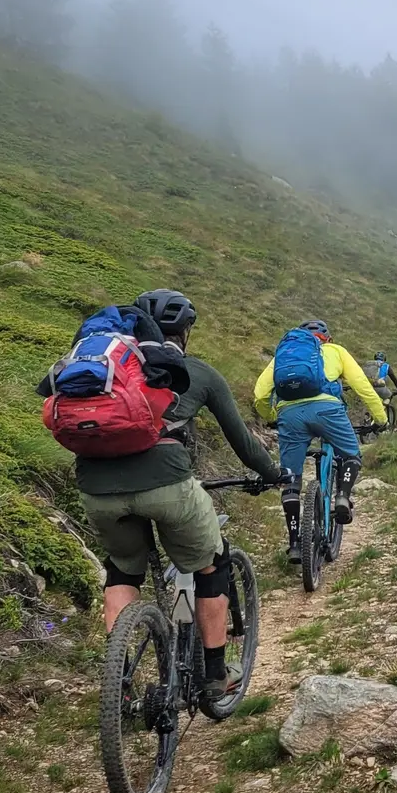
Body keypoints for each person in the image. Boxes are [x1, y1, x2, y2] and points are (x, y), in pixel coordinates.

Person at [42, 289, 282, 705]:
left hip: (97, 491)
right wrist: (273, 474)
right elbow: (243, 442)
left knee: (122, 573)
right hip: (167, 485)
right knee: (212, 564)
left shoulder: (98, 370)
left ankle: (118, 681)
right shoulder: (197, 372)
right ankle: (213, 673)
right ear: (184, 332)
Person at [254, 319, 389, 553]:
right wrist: (381, 418)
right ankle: (342, 497)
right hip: (328, 411)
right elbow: (362, 386)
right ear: (327, 338)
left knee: (290, 479)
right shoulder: (335, 351)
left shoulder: (284, 356)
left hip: (290, 414)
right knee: (351, 455)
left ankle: (295, 543)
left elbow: (260, 394)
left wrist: (272, 415)